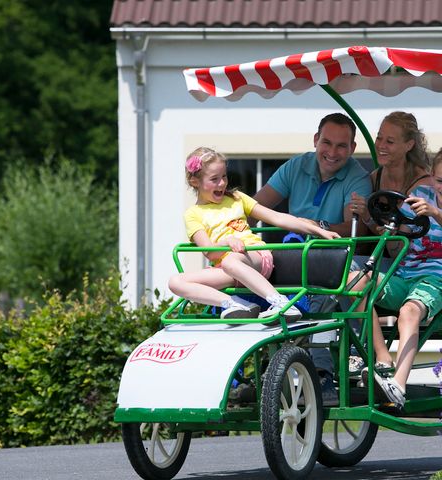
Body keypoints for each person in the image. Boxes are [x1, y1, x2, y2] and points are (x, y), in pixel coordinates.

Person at [252, 112, 373, 405]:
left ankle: (321, 372)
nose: (332, 152)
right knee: (246, 280)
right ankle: (255, 370)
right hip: (294, 255)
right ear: (316, 140)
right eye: (327, 143)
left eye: (341, 146)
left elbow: (354, 231)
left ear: (352, 148)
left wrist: (316, 226)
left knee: (324, 291)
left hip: (331, 260)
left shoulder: (357, 177)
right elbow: (254, 206)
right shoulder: (297, 165)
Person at [168, 147, 339, 321]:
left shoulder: (236, 198)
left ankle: (281, 302)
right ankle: (233, 303)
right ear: (195, 181)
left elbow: (277, 217)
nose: (222, 183)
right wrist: (227, 242)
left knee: (230, 262)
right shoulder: (192, 214)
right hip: (227, 269)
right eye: (214, 179)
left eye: (224, 176)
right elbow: (209, 252)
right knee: (176, 282)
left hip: (254, 256)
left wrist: (318, 230)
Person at [351, 148, 442, 409]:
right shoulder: (420, 195)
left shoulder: (430, 206)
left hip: (436, 280)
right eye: (439, 180)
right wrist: (392, 228)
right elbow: (399, 239)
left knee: (409, 311)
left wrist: (435, 213)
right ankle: (382, 358)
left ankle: (398, 386)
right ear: (431, 176)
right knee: (355, 281)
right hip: (405, 274)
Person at [347, 111, 433, 373]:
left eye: (390, 141)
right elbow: (378, 236)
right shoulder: (373, 178)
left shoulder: (424, 186)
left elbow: (399, 246)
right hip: (390, 260)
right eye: (379, 138)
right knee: (342, 271)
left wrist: (369, 217)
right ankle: (352, 348)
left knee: (351, 272)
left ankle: (362, 350)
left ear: (409, 145)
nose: (381, 146)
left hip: (414, 264)